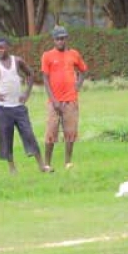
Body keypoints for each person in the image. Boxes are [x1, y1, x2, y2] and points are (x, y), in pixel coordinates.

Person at [0, 37, 50, 174]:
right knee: (6, 137)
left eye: (2, 47)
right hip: (3, 109)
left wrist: (26, 93)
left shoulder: (18, 61)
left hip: (19, 107)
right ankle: (12, 168)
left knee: (29, 134)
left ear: (8, 47)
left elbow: (31, 74)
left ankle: (42, 165)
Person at [40, 26, 88, 170]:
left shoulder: (74, 54)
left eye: (63, 38)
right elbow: (45, 79)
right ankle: (47, 164)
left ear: (66, 39)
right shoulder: (47, 56)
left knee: (70, 131)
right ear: (54, 40)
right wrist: (53, 100)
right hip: (54, 102)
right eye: (58, 39)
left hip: (71, 100)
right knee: (51, 132)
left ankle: (68, 162)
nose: (61, 41)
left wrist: (77, 86)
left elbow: (83, 71)